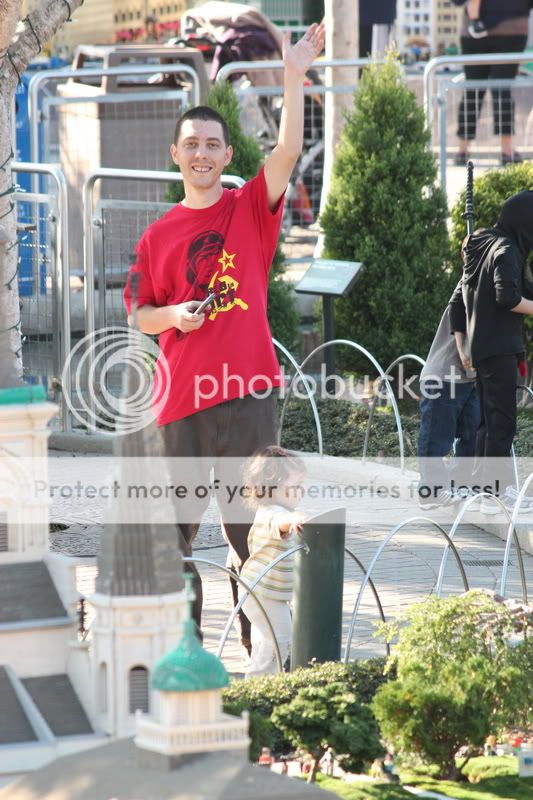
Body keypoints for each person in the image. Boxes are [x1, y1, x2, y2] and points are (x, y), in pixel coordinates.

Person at [124, 22, 325, 654]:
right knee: (171, 535)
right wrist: (173, 315)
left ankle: (265, 654)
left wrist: (292, 74)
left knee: (257, 529)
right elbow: (139, 315)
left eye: (213, 144)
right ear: (176, 155)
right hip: (180, 403)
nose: (203, 153)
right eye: (192, 144)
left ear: (228, 154)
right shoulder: (157, 236)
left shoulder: (249, 210)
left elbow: (287, 151)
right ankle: (180, 653)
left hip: (248, 396)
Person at [449, 190, 533, 513]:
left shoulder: (480, 244)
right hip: (500, 349)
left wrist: (463, 345)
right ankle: (496, 494)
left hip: (482, 348)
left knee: (487, 422)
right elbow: (507, 297)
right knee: (502, 423)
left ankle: (481, 492)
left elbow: (458, 299)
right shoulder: (507, 250)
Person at [240, 446, 306, 676]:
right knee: (279, 638)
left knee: (266, 641)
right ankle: (261, 682)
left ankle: (259, 682)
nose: (302, 491)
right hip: (262, 591)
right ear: (271, 488)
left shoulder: (277, 510)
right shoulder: (272, 513)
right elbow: (281, 523)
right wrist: (294, 519)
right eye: (295, 485)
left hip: (264, 591)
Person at [417, 291, 480, 509]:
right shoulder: (472, 283)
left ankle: (458, 484)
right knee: (436, 436)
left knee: (473, 432)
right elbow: (458, 310)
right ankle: (430, 491)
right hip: (444, 374)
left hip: (470, 378)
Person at [452, 0, 530, 165]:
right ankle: (507, 150)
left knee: (472, 90)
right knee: (502, 89)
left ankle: (462, 150)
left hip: (474, 33)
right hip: (512, 29)